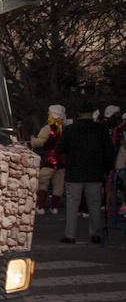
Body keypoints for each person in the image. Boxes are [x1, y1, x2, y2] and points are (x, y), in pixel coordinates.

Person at [58, 102, 115, 244]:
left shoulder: (70, 130)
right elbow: (109, 151)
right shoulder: (100, 130)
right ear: (92, 113)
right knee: (94, 204)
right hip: (95, 171)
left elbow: (60, 149)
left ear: (78, 113)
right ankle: (95, 234)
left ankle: (70, 234)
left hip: (75, 171)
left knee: (72, 204)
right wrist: (107, 169)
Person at [31, 105, 67, 215]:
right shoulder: (64, 129)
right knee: (59, 184)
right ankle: (54, 207)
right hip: (62, 161)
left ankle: (40, 206)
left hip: (49, 161)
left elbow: (39, 143)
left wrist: (32, 139)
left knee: (43, 182)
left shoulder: (48, 128)